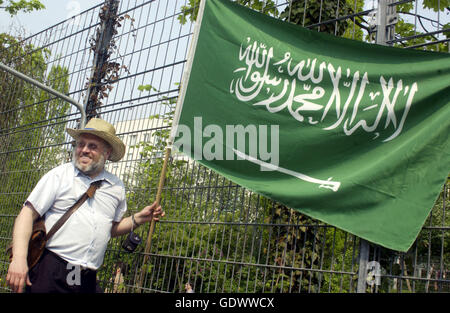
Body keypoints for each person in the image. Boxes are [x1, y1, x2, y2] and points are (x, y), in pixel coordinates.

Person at [6, 118, 165, 293]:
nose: (84, 150)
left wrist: (138, 218)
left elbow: (109, 229)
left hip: (85, 276)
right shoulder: (60, 175)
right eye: (81, 144)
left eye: (92, 146)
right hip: (52, 269)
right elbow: (26, 214)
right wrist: (19, 259)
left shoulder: (116, 187)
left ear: (107, 153)